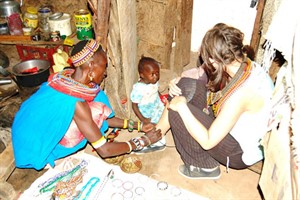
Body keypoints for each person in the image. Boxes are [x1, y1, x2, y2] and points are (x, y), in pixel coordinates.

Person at [12, 39, 161, 170]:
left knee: (95, 107)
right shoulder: (75, 101)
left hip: (27, 124)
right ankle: (54, 155)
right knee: (88, 119)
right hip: (32, 144)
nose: (106, 73)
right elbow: (105, 150)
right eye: (104, 66)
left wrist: (139, 126)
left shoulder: (69, 77)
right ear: (90, 66)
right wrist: (143, 141)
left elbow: (103, 117)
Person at [149, 23, 274, 179]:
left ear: (214, 60)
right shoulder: (246, 65)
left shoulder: (243, 94)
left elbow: (208, 141)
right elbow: (200, 79)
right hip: (234, 126)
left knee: (177, 110)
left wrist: (182, 108)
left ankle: (204, 166)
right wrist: (177, 82)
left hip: (238, 151)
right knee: (184, 86)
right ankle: (157, 136)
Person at [130, 56, 166, 153]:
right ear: (142, 75)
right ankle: (158, 143)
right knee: (152, 125)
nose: (155, 77)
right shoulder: (138, 89)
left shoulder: (153, 82)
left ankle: (160, 139)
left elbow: (156, 91)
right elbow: (134, 106)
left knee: (164, 118)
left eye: (157, 73)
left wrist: (162, 98)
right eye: (152, 74)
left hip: (157, 105)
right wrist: (143, 119)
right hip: (148, 111)